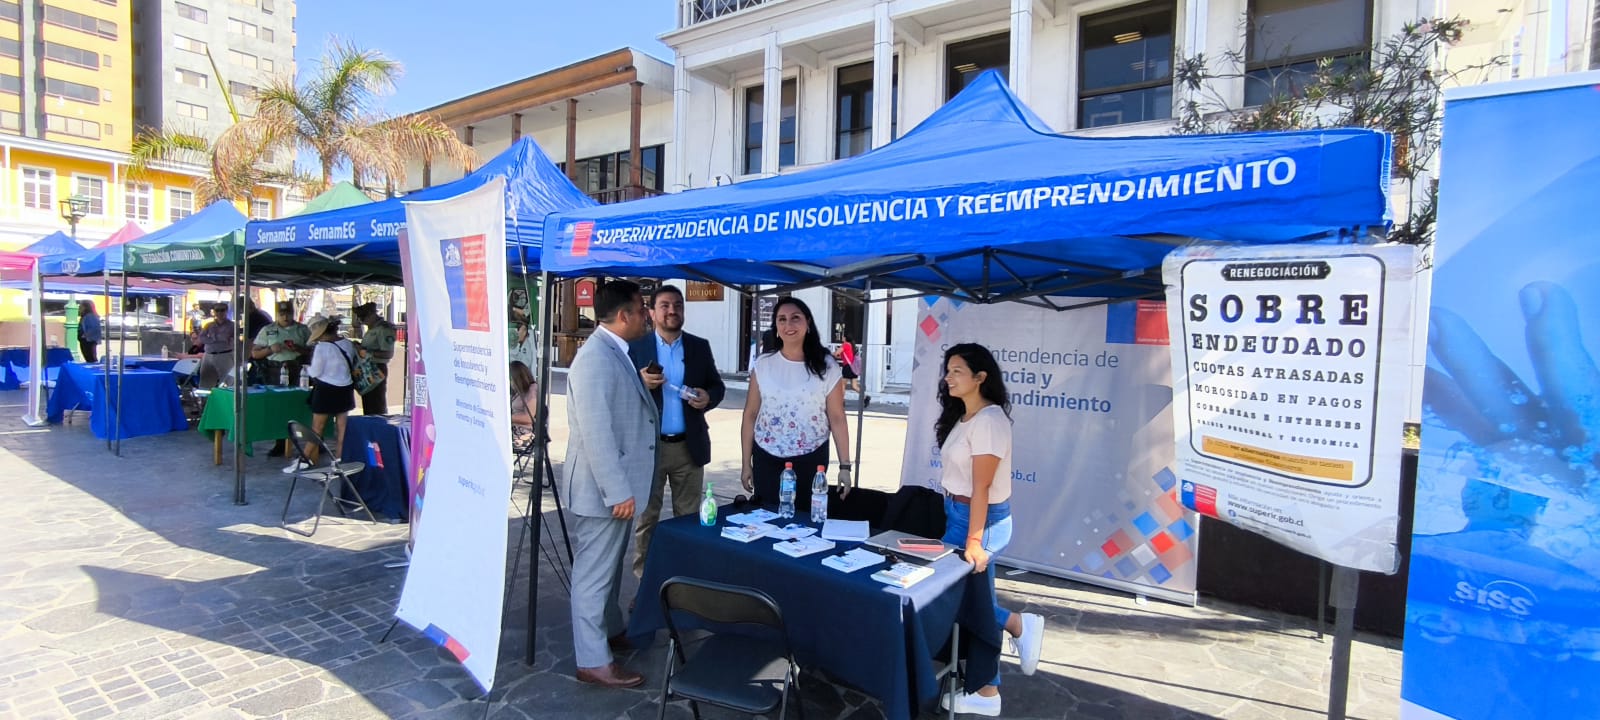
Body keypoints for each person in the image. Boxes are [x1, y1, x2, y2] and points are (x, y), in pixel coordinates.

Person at [934, 342, 1044, 716]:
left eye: (957, 371)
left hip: (981, 521)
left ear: (980, 377)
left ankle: (1016, 624)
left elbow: (981, 487)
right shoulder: (965, 417)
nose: (948, 377)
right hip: (959, 514)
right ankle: (986, 692)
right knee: (973, 602)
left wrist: (975, 541)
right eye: (947, 370)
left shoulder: (991, 421)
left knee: (956, 599)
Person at [561, 280, 657, 689]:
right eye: (641, 309)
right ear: (623, 316)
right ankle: (593, 660)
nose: (646, 316)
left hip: (616, 491)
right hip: (604, 493)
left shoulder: (613, 352)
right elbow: (597, 432)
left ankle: (609, 629)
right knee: (593, 575)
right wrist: (617, 491)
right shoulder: (596, 359)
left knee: (608, 571)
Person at [629, 285, 726, 577]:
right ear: (652, 312)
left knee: (688, 520)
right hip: (650, 448)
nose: (672, 311)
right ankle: (646, 583)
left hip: (688, 447)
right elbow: (618, 391)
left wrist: (708, 398)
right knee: (647, 520)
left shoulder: (699, 346)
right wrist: (639, 381)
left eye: (678, 305)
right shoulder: (636, 347)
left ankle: (685, 584)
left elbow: (717, 386)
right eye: (665, 305)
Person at [740, 297, 852, 510]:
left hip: (811, 459)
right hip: (766, 456)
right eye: (782, 319)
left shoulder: (828, 367)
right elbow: (750, 415)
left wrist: (845, 466)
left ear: (808, 323)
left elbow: (837, 418)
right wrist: (746, 464)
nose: (788, 325)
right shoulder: (763, 365)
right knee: (766, 519)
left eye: (795, 318)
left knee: (804, 525)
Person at [286, 316, 357, 473]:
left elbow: (316, 372)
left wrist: (306, 368)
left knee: (317, 428)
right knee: (342, 428)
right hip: (345, 388)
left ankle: (304, 459)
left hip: (325, 390)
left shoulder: (322, 348)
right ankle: (339, 461)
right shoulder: (347, 344)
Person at [251, 301, 309, 387]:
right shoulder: (267, 329)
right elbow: (255, 354)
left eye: (288, 314)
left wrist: (298, 349)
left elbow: (313, 352)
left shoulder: (303, 329)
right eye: (281, 315)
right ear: (277, 314)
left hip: (297, 369)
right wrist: (270, 350)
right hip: (274, 370)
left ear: (293, 314)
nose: (285, 317)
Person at [353, 302, 396, 415]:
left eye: (364, 317)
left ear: (372, 314)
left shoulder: (384, 329)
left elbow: (388, 354)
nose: (361, 320)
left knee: (376, 405)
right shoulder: (371, 329)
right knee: (368, 404)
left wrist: (365, 352)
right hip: (366, 368)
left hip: (377, 369)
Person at [193, 304, 237, 388]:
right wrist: (215, 339)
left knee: (227, 382)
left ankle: (226, 400)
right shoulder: (209, 325)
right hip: (208, 355)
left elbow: (235, 340)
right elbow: (202, 337)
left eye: (222, 310)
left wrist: (215, 339)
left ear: (226, 311)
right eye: (217, 310)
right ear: (214, 312)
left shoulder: (232, 326)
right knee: (205, 382)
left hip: (225, 355)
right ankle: (205, 400)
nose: (220, 312)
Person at [509, 360, 537, 456]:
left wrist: (507, 417)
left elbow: (528, 417)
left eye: (511, 379)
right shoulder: (518, 392)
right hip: (513, 430)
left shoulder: (532, 391)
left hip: (523, 434)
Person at [838, 336, 867, 405]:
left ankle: (842, 401)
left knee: (842, 385)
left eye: (842, 337)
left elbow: (837, 353)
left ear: (845, 338)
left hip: (848, 367)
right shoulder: (852, 346)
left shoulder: (845, 344)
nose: (842, 338)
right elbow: (843, 356)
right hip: (854, 368)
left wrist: (832, 354)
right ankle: (866, 397)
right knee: (854, 386)